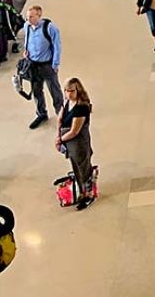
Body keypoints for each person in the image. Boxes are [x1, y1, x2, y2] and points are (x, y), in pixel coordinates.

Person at [56, 77, 96, 211]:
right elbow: (60, 119)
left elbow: (74, 131)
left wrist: (61, 139)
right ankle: (81, 188)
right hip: (68, 139)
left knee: (83, 166)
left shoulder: (81, 107)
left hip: (78, 141)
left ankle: (88, 194)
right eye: (66, 91)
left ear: (78, 90)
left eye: (71, 91)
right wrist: (58, 136)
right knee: (76, 164)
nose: (68, 94)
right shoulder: (67, 102)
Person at [23, 6, 64, 130]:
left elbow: (57, 46)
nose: (28, 19)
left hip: (47, 65)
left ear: (39, 15)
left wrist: (55, 64)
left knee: (54, 90)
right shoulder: (27, 27)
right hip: (33, 64)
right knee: (36, 91)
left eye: (31, 16)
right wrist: (26, 51)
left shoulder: (50, 28)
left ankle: (61, 114)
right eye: (27, 17)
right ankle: (41, 113)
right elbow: (27, 39)